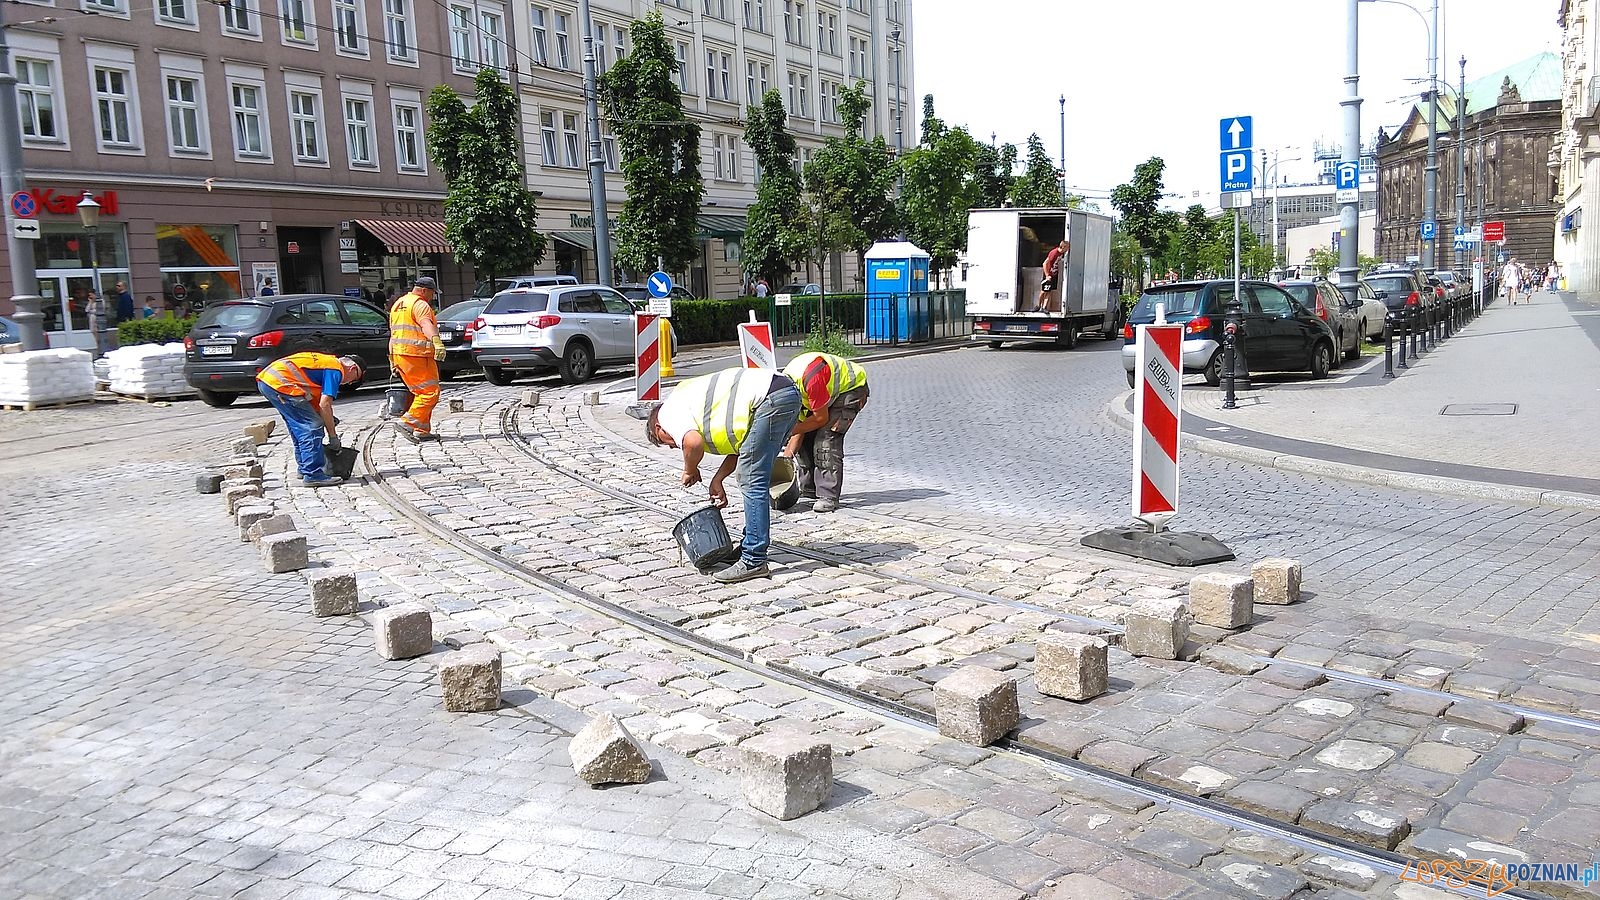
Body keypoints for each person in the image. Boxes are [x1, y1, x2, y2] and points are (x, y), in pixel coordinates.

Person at [645, 367, 802, 583]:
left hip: (771, 398)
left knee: (751, 479)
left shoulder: (668, 413)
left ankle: (754, 560)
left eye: (666, 442)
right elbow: (746, 447)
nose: (674, 446)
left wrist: (690, 469)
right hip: (785, 393)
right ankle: (750, 544)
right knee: (754, 474)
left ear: (658, 428)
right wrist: (718, 478)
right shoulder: (692, 405)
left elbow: (693, 443)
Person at [255, 352, 364, 487]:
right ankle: (313, 474)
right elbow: (325, 403)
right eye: (353, 379)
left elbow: (315, 403)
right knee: (313, 426)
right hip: (280, 384)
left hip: (269, 381)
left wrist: (326, 416)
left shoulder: (326, 363)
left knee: (298, 426)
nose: (349, 383)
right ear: (352, 369)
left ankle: (304, 468)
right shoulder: (336, 369)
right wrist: (333, 437)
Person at [781, 351, 869, 513]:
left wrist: (791, 430)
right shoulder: (789, 390)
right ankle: (809, 489)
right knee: (806, 437)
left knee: (825, 440)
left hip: (851, 390)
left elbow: (821, 419)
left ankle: (828, 496)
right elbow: (800, 430)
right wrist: (785, 461)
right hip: (823, 392)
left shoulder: (811, 382)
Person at [388, 275, 444, 443]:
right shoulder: (420, 305)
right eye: (432, 293)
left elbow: (393, 333)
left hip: (400, 355)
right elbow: (427, 325)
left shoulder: (398, 304)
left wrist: (391, 358)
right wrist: (437, 342)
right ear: (424, 291)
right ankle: (407, 423)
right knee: (430, 393)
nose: (433, 297)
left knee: (419, 392)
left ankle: (422, 429)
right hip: (417, 355)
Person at [1036, 240, 1069, 312]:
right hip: (1049, 274)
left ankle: (1044, 307)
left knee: (1049, 291)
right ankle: (1038, 306)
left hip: (1053, 274)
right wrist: (1047, 275)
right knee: (1044, 291)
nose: (1068, 250)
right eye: (1067, 248)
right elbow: (1045, 263)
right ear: (1063, 247)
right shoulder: (1054, 253)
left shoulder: (1061, 253)